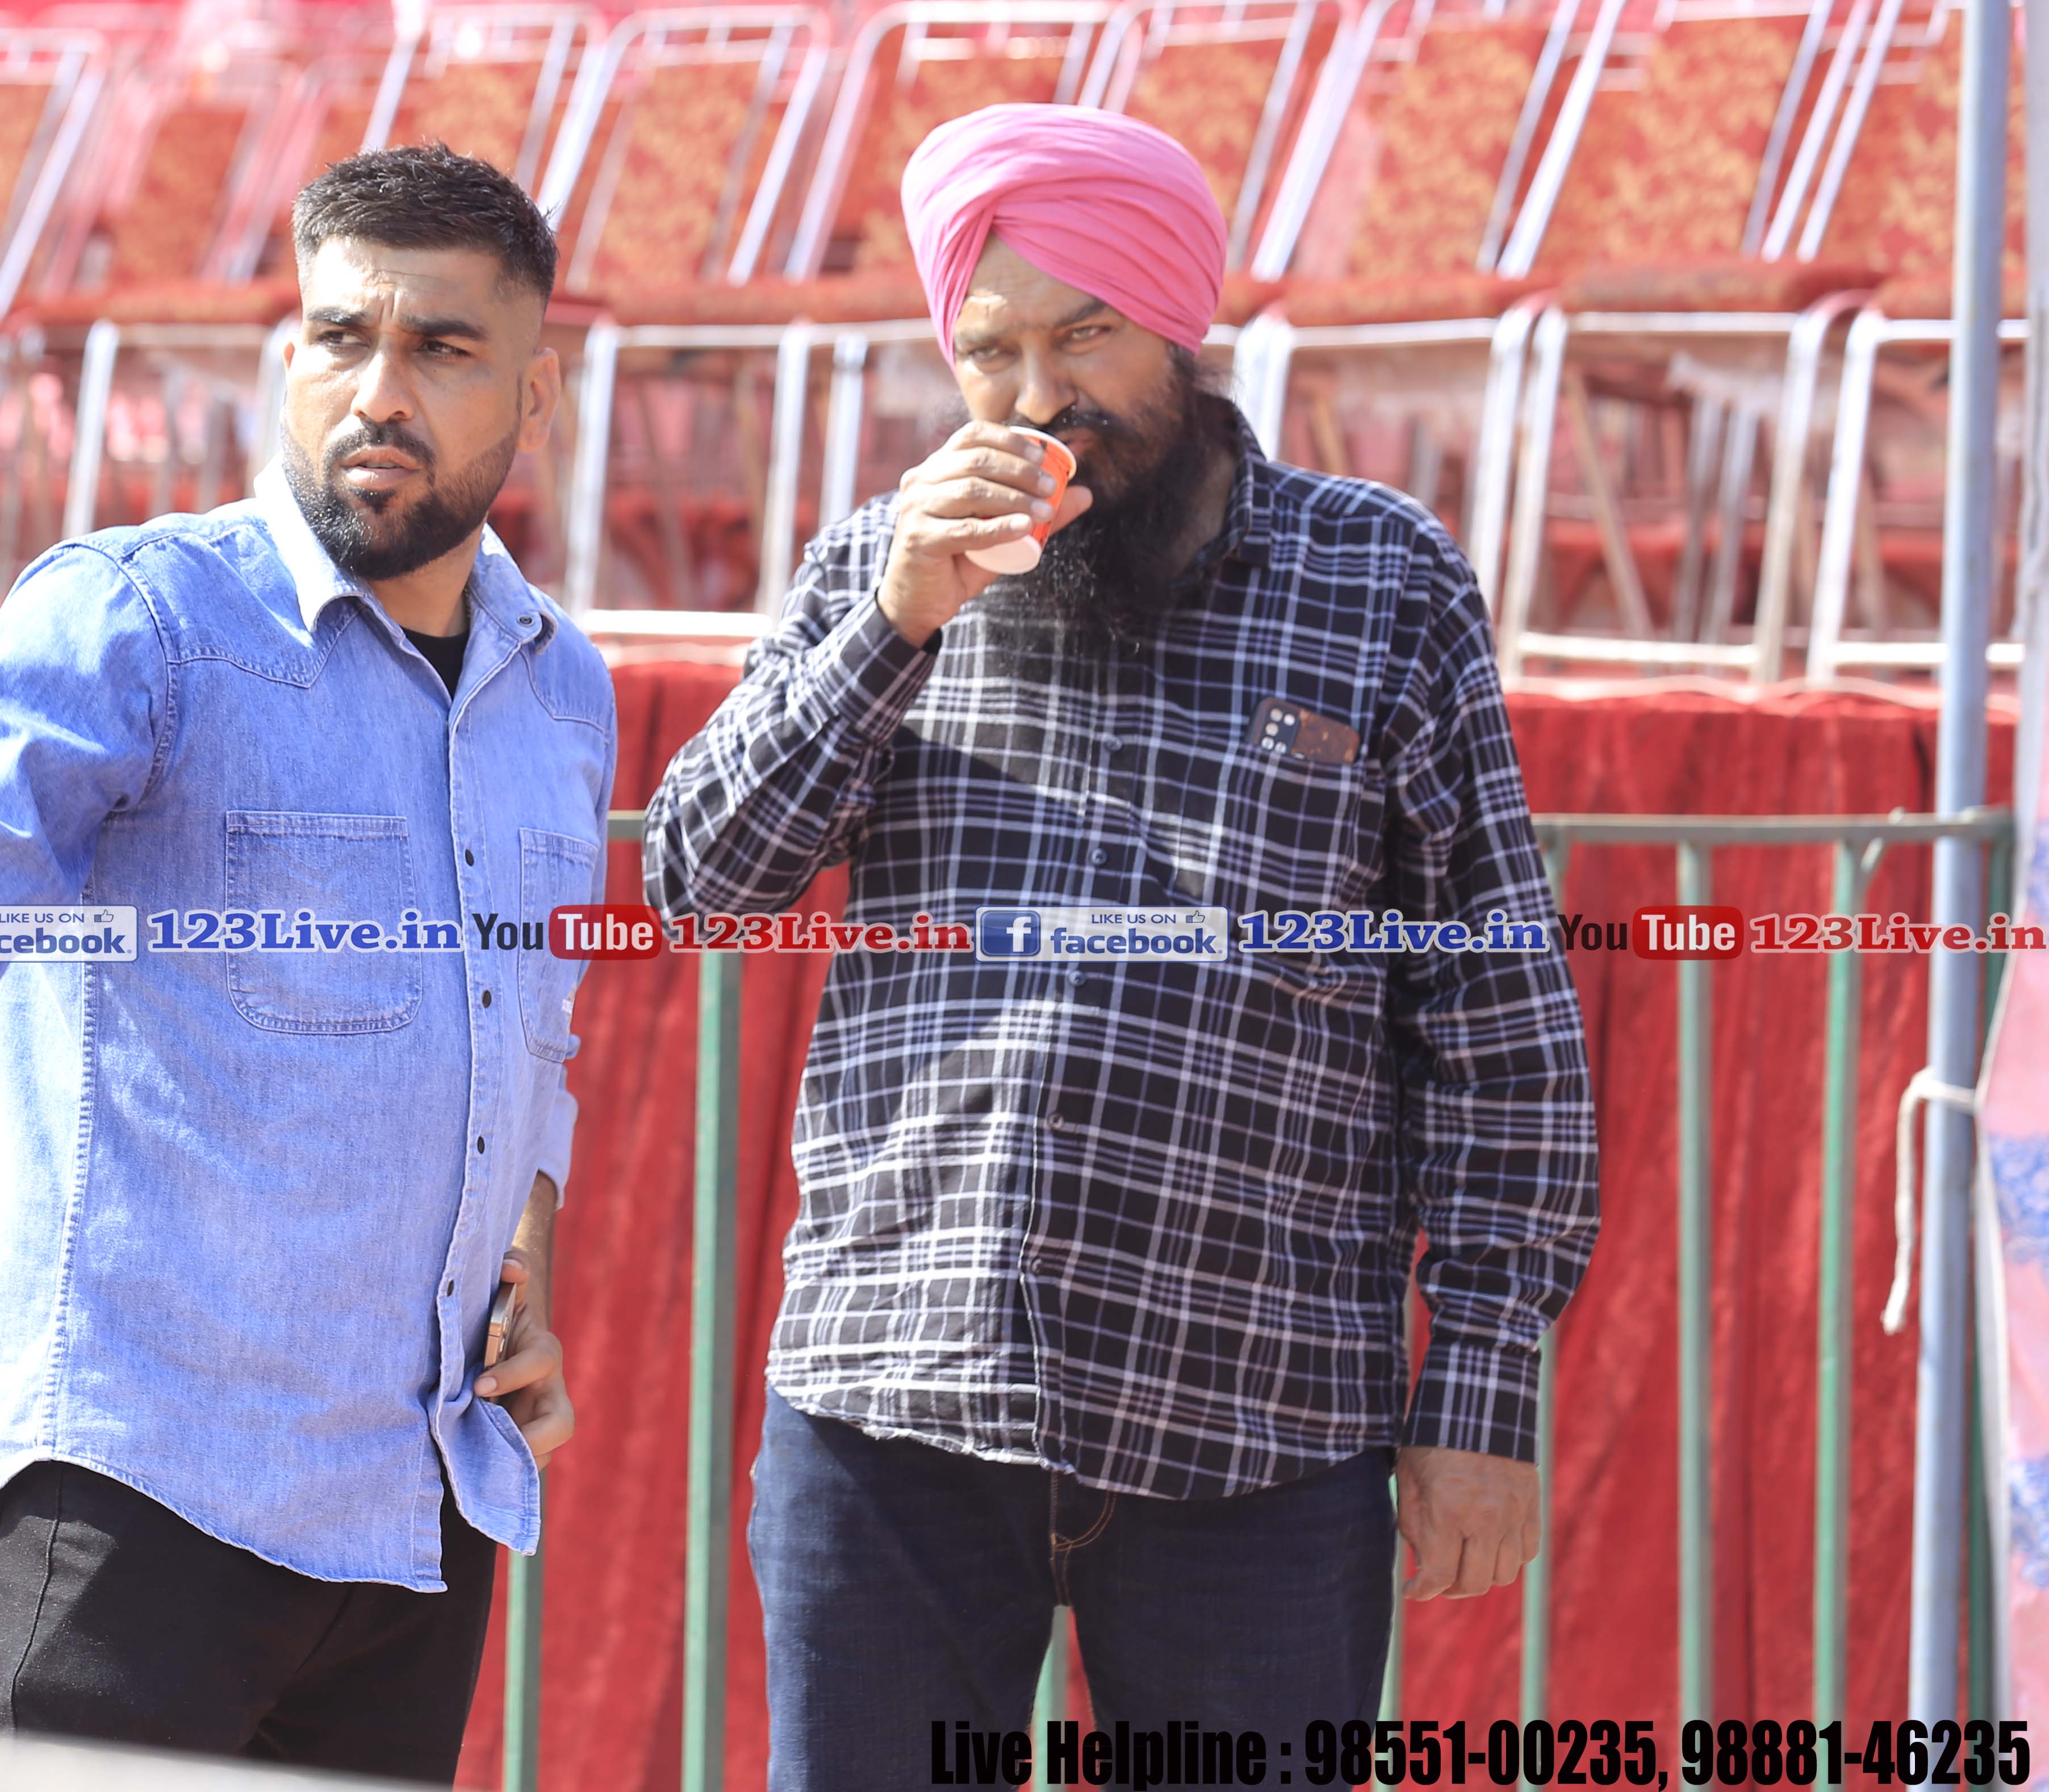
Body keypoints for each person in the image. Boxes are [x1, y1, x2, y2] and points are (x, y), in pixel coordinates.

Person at [643, 105, 1600, 1771]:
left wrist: (1481, 1392)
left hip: (1260, 1421)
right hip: (900, 1395)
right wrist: (895, 624)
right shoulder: (881, 564)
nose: (1037, 397)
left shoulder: (1378, 579)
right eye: (992, 352)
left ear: (1175, 321)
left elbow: (1496, 1015)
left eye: (1084, 335)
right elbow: (702, 880)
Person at [0, 143, 612, 1783]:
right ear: (288, 356)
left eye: (443, 349)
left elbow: (527, 1034)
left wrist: (521, 1264)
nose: (378, 391)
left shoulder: (559, 687)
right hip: (134, 1502)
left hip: (415, 1517)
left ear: (536, 395)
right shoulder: (144, 620)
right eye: (340, 338)